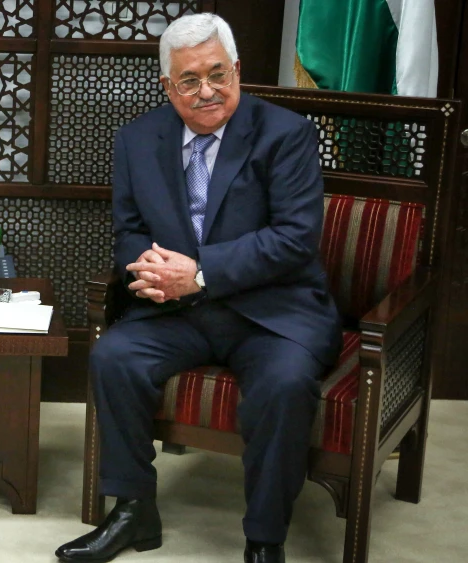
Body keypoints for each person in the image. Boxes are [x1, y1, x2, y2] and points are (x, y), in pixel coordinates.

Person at [54, 13, 342, 563]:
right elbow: (130, 229)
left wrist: (201, 272)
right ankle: (135, 511)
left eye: (218, 75)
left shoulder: (287, 134)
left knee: (283, 385)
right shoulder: (137, 138)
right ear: (168, 85)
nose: (206, 91)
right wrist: (149, 271)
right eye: (189, 80)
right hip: (178, 312)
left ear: (237, 70)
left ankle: (264, 540)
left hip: (272, 312)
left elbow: (294, 239)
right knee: (114, 356)